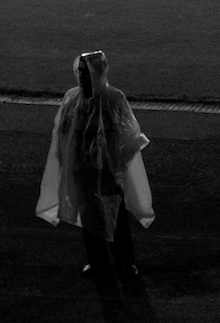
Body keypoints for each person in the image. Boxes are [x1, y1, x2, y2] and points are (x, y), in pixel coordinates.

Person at [37, 51, 154, 287]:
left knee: (116, 216)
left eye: (85, 71)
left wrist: (120, 161)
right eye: (80, 71)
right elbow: (62, 133)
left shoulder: (113, 98)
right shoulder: (72, 99)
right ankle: (99, 261)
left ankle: (125, 262)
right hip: (83, 171)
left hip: (108, 171)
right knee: (90, 216)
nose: (82, 76)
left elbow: (129, 133)